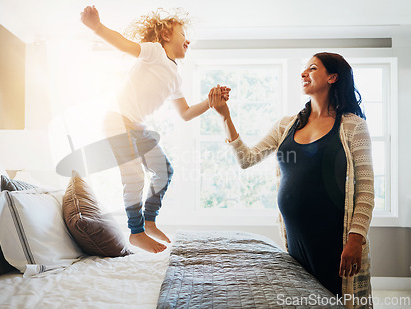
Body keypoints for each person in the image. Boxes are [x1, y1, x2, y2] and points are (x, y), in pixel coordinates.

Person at [208, 52, 374, 307]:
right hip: (296, 237)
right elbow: (247, 159)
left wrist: (355, 238)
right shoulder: (287, 125)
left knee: (337, 301)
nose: (303, 73)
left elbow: (365, 189)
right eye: (304, 68)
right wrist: (225, 117)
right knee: (303, 300)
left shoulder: (353, 126)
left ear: (332, 77)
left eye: (313, 68)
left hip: (335, 239)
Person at [80, 6, 230, 253]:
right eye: (183, 34)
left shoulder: (176, 76)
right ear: (166, 36)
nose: (188, 40)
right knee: (135, 176)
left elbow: (186, 113)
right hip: (117, 119)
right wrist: (97, 27)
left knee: (164, 171)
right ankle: (136, 232)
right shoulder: (154, 52)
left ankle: (149, 221)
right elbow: (123, 44)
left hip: (138, 126)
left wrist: (210, 101)